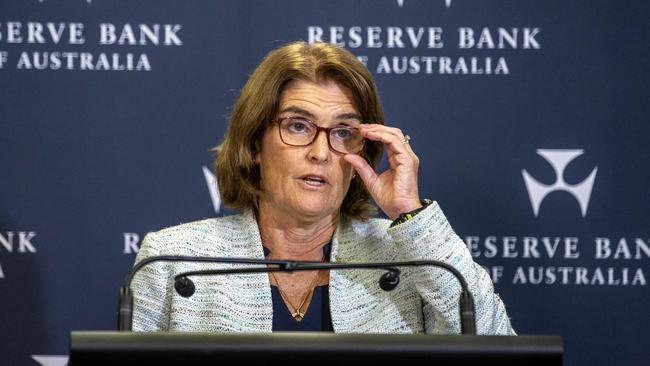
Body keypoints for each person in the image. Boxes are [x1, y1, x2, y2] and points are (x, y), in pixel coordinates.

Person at [131, 41, 515, 334]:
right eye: (298, 126)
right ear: (253, 146)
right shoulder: (171, 260)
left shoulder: (412, 257)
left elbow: (498, 346)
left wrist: (410, 216)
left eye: (343, 132)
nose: (321, 153)